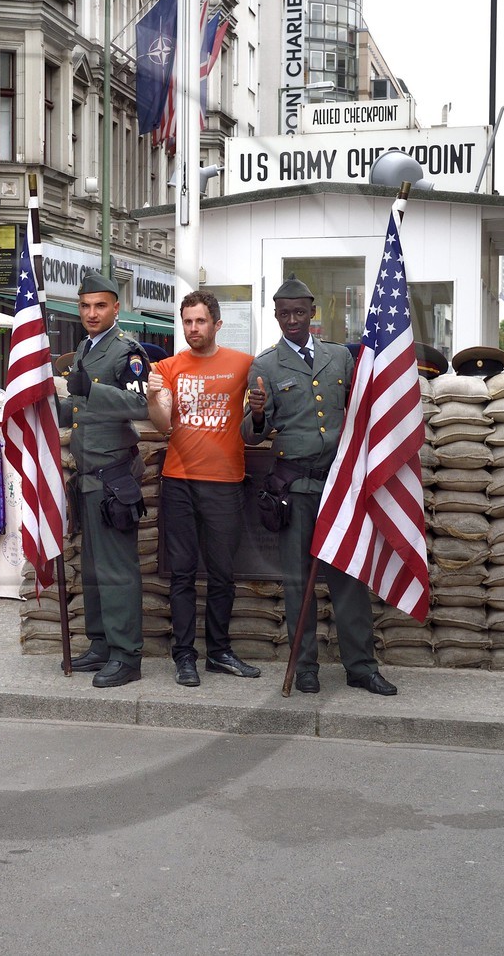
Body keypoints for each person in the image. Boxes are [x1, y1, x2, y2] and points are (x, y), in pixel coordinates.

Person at [242, 278, 397, 697]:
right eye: (284, 313)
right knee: (297, 582)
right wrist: (257, 416)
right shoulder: (266, 365)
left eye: (299, 312)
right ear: (275, 317)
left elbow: (358, 409)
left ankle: (361, 666)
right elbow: (251, 435)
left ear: (312, 313)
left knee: (349, 575)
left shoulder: (339, 359)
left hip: (339, 485)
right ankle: (305, 665)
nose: (292, 320)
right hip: (294, 490)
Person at [147, 291, 258, 687]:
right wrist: (152, 397)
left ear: (217, 324)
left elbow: (262, 408)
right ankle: (184, 656)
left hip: (226, 483)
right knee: (181, 574)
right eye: (188, 322)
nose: (193, 328)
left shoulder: (243, 364)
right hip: (178, 481)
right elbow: (162, 424)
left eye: (201, 321)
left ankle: (220, 652)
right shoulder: (167, 366)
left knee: (223, 574)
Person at [57, 272, 150, 689]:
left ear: (115, 308)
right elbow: (79, 408)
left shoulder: (126, 351)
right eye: (84, 306)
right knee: (92, 567)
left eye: (100, 306)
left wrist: (90, 390)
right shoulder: (84, 348)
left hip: (113, 475)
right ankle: (100, 643)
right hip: (88, 475)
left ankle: (127, 654)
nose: (91, 313)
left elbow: (139, 403)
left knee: (117, 569)